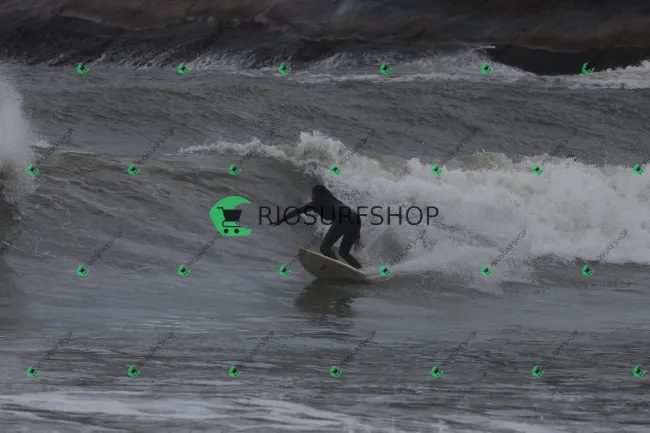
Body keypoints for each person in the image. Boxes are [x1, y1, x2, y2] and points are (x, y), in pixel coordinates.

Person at [270, 184, 363, 269]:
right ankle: (360, 271)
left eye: (312, 194)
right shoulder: (333, 200)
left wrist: (280, 220)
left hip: (343, 217)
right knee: (344, 252)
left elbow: (297, 211)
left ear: (316, 194)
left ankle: (339, 268)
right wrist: (357, 236)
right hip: (356, 218)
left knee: (324, 248)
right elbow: (351, 215)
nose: (312, 196)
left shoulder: (315, 203)